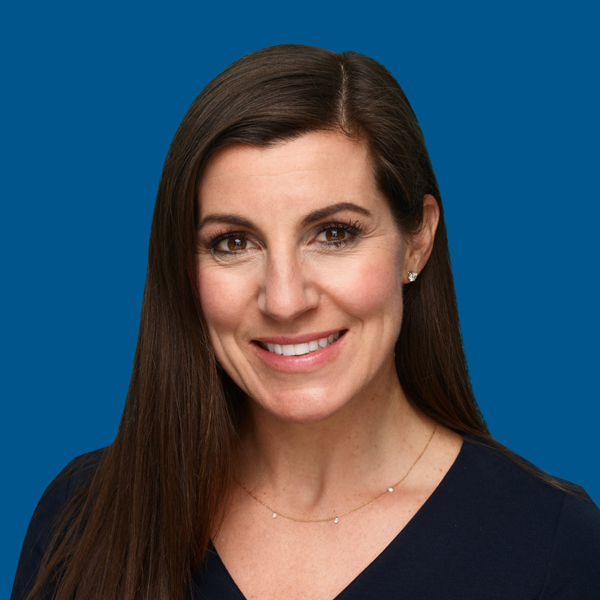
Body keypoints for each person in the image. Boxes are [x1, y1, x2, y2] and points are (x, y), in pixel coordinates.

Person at [11, 44, 600, 600]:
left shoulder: (555, 546)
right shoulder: (82, 514)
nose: (285, 300)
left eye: (334, 234)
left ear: (417, 240)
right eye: (233, 242)